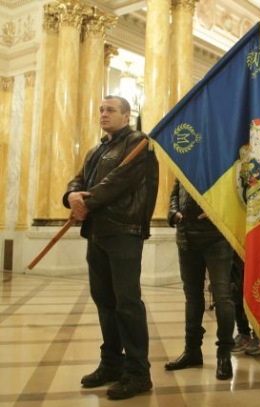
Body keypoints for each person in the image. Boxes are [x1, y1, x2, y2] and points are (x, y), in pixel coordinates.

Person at [64, 95, 159, 400]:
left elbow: (120, 181)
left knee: (127, 303)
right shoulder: (96, 149)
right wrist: (71, 197)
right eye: (101, 109)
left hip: (124, 231)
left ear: (127, 115)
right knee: (104, 301)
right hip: (97, 233)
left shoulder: (139, 143)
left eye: (110, 110)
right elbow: (78, 180)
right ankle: (112, 363)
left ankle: (138, 373)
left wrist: (85, 203)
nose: (103, 114)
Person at [164, 179, 235, 380]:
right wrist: (173, 212)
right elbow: (175, 193)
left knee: (223, 296)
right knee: (192, 297)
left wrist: (220, 210)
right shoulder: (185, 162)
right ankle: (192, 351)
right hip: (186, 236)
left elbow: (236, 194)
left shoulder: (222, 163)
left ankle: (224, 355)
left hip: (217, 237)